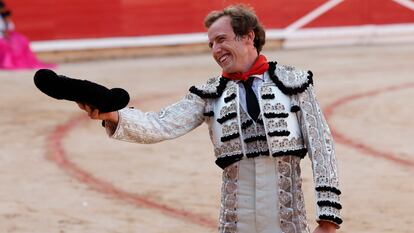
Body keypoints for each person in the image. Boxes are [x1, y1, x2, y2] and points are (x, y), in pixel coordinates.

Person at [78, 4, 342, 233]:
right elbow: (160, 125)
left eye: (221, 39)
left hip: (286, 221)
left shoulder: (294, 83)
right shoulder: (209, 94)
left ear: (248, 37)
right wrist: (112, 115)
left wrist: (328, 220)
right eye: (211, 44)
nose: (216, 50)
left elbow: (322, 150)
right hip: (235, 221)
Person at [0, 0, 55, 69]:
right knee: (9, 45)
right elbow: (4, 31)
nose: (3, 9)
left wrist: (6, 21)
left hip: (8, 36)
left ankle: (17, 62)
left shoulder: (5, 17)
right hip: (1, 37)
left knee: (22, 41)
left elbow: (10, 28)